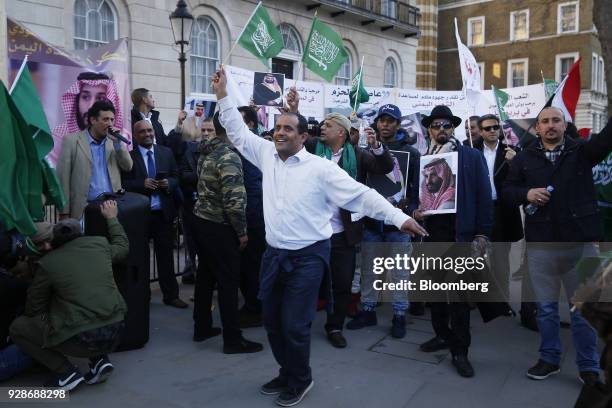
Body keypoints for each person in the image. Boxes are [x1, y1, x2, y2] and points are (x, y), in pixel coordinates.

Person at [212, 67, 427, 407]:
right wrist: (223, 95)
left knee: (295, 324)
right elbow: (237, 133)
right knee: (272, 322)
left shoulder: (321, 169)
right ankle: (286, 371)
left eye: (287, 129)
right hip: (273, 255)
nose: (279, 133)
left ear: (302, 136)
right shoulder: (266, 155)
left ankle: (300, 378)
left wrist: (400, 218)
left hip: (308, 257)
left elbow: (362, 195)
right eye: (277, 128)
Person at [503, 107, 612, 385]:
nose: (550, 125)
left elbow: (607, 139)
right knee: (547, 309)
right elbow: (507, 192)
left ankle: (588, 366)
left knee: (583, 310)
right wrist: (526, 193)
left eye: (556, 120)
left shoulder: (582, 152)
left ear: (565, 125)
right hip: (542, 246)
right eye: (545, 121)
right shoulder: (525, 157)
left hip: (580, 243)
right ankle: (549, 358)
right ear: (537, 128)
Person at [9, 201, 127, 391]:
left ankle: (65, 373)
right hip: (117, 330)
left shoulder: (49, 263)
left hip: (84, 339)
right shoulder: (100, 244)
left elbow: (34, 309)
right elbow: (122, 246)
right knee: (84, 301)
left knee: (19, 327)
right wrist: (112, 219)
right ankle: (99, 361)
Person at [414, 105, 493, 378]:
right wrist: (415, 211)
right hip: (432, 236)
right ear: (429, 129)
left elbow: (484, 196)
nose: (441, 130)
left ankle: (460, 351)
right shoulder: (423, 159)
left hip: (461, 234)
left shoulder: (470, 156)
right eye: (436, 125)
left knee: (459, 298)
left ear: (453, 128)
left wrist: (482, 234)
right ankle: (441, 335)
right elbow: (414, 196)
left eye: (446, 125)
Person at [304, 109, 395, 348]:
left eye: (328, 125)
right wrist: (292, 111)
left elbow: (384, 166)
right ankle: (300, 324)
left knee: (342, 283)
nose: (322, 128)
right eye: (322, 124)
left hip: (343, 232)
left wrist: (376, 145)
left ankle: (334, 326)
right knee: (308, 281)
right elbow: (296, 138)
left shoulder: (358, 155)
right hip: (313, 229)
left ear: (341, 132)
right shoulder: (313, 148)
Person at [190, 111, 263, 354]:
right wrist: (242, 232)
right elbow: (234, 201)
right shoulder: (228, 156)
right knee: (228, 282)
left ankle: (202, 327)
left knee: (205, 278)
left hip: (202, 221)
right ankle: (233, 339)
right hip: (220, 227)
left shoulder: (206, 149)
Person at [348, 103, 423, 335]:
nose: (385, 124)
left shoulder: (411, 153)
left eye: (391, 120)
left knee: (400, 272)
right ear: (377, 123)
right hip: (372, 221)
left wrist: (409, 210)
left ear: (398, 124)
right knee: (369, 269)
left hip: (398, 222)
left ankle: (399, 314)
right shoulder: (365, 149)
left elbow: (416, 189)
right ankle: (368, 310)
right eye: (382, 120)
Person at [121, 120, 188, 309]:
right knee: (141, 258)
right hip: (140, 216)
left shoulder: (165, 153)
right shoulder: (129, 157)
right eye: (142, 131)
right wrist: (140, 184)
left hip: (163, 214)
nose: (147, 134)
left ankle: (171, 295)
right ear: (135, 135)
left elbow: (176, 176)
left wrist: (169, 183)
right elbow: (123, 184)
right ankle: (143, 295)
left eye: (149, 130)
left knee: (166, 257)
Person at [473, 114, 523, 312]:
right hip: (480, 210)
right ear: (480, 131)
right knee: (476, 256)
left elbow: (522, 181)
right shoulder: (472, 151)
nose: (492, 131)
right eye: (487, 128)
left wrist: (514, 163)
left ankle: (502, 301)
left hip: (502, 211)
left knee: (501, 258)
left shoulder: (512, 152)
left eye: (495, 127)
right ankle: (477, 298)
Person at [56, 100, 133, 220]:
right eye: (105, 119)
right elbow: (63, 179)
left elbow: (128, 167)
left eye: (112, 120)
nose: (110, 124)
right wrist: (64, 212)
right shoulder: (72, 141)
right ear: (93, 120)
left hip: (111, 207)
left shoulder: (113, 142)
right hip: (84, 208)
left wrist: (118, 144)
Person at [50, 72, 128, 166]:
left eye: (100, 99)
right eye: (85, 97)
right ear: (77, 100)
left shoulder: (123, 138)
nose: (91, 106)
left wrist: (118, 144)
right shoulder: (59, 137)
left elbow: (127, 170)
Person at [236, 106, 266, 328]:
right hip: (248, 215)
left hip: (253, 217)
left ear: (251, 125)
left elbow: (253, 186)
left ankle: (255, 308)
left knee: (252, 265)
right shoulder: (240, 144)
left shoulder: (252, 147)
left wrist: (244, 223)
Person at [178, 117, 211, 284]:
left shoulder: (225, 153)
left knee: (211, 249)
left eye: (209, 130)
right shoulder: (190, 150)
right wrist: (202, 176)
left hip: (214, 211)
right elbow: (182, 175)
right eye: (203, 130)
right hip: (191, 206)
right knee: (191, 245)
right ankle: (197, 278)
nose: (205, 133)